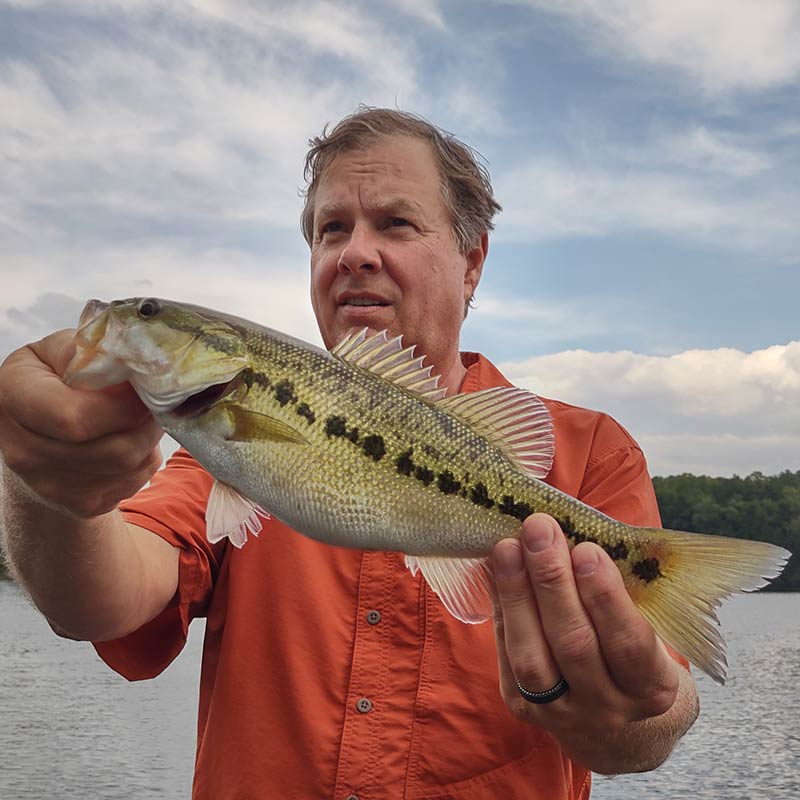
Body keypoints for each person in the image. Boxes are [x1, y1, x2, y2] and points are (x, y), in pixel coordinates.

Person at [0, 108, 698, 799]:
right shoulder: (215, 448)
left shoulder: (594, 451)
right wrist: (50, 487)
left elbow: (657, 723)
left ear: (473, 262)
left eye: (395, 222)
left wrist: (624, 718)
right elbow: (97, 603)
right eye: (331, 229)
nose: (354, 252)